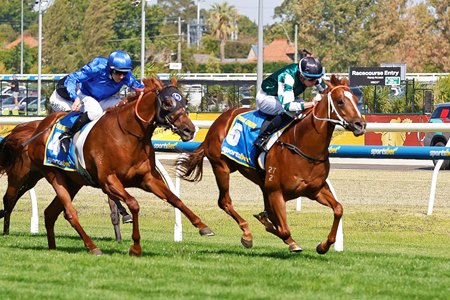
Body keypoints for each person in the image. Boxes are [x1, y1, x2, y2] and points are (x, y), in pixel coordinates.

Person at [49, 50, 144, 153]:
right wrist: (75, 98)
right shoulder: (97, 68)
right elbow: (72, 78)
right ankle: (67, 135)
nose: (121, 76)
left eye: (124, 73)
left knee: (124, 106)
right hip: (84, 94)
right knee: (95, 112)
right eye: (118, 72)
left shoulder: (126, 76)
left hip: (102, 99)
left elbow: (141, 89)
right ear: (110, 69)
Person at [254, 56, 327, 152]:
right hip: (266, 98)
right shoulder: (288, 77)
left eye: (316, 79)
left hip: (283, 96)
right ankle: (262, 137)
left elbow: (326, 90)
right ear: (301, 76)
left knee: (304, 108)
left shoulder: (312, 76)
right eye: (311, 80)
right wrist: (312, 103)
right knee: (291, 111)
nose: (314, 82)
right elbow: (288, 106)